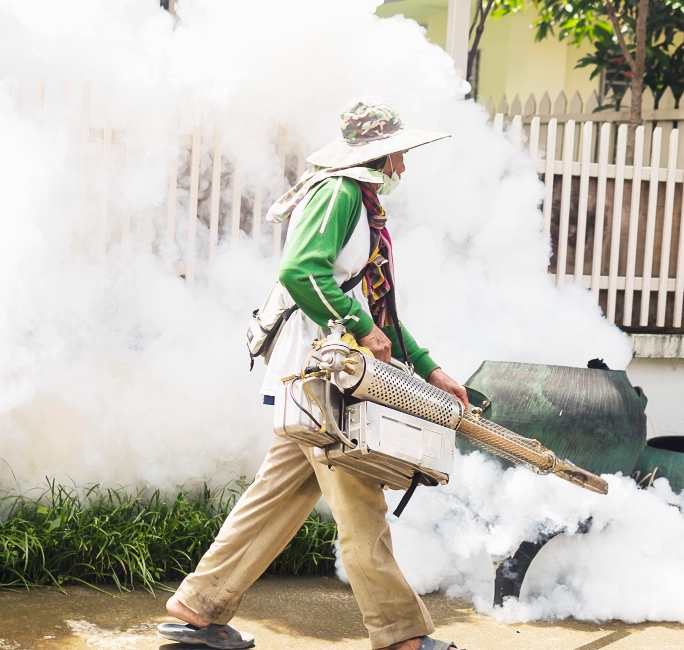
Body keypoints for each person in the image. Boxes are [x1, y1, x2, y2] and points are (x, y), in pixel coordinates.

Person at [157, 97, 468, 650]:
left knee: (278, 494)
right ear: (381, 154)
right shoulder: (341, 192)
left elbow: (376, 305)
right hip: (323, 375)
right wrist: (356, 326)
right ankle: (402, 637)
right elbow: (302, 272)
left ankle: (199, 605)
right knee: (361, 502)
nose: (403, 166)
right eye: (398, 154)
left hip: (322, 372)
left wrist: (427, 367)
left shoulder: (354, 197)